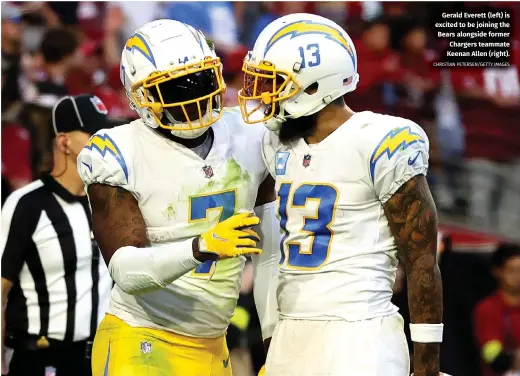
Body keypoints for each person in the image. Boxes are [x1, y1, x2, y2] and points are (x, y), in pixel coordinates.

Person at [238, 13, 448, 376]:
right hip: (292, 331)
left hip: (359, 333)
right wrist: (274, 336)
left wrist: (426, 365)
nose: (261, 94)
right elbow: (270, 251)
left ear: (315, 85)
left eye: (273, 83)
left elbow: (421, 261)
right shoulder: (276, 143)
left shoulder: (380, 140)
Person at [77, 19, 279, 376]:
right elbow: (125, 270)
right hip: (141, 334)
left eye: (200, 79)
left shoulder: (249, 135)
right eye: (174, 87)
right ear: (142, 97)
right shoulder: (118, 151)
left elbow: (270, 253)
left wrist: (274, 342)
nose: (193, 95)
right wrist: (200, 247)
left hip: (215, 341)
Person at [1, 94, 114, 376]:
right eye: (94, 134)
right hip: (41, 358)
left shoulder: (109, 199)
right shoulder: (27, 204)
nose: (105, 142)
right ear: (64, 142)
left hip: (100, 356)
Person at [474, 243, 520, 376]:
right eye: (512, 270)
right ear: (498, 271)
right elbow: (493, 355)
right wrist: (513, 358)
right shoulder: (488, 308)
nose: (518, 276)